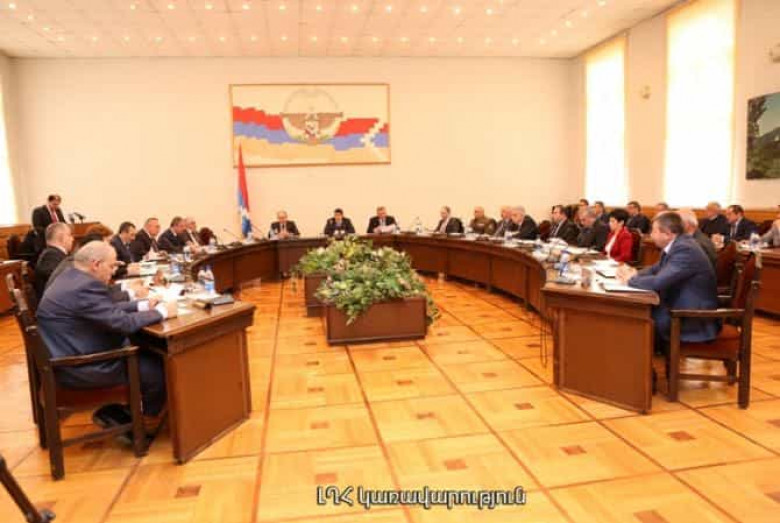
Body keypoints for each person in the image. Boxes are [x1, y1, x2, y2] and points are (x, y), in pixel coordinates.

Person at [36, 241, 177, 421]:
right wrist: (162, 312)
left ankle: (135, 411)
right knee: (159, 366)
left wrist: (142, 305)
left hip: (66, 356)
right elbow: (123, 323)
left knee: (145, 348)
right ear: (96, 264)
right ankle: (145, 421)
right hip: (83, 368)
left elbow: (106, 309)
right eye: (111, 266)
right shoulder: (84, 287)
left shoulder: (70, 276)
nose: (113, 272)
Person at [618, 212, 719, 349]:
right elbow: (655, 269)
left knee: (635, 316)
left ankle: (638, 359)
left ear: (668, 234)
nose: (651, 235)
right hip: (676, 305)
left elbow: (658, 282)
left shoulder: (685, 249)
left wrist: (631, 280)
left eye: (654, 231)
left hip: (690, 317)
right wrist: (635, 273)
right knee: (633, 312)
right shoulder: (678, 244)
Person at [34, 223, 74, 300]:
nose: (72, 239)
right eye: (69, 235)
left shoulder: (54, 254)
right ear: (61, 238)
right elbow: (63, 283)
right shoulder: (49, 257)